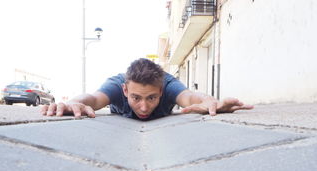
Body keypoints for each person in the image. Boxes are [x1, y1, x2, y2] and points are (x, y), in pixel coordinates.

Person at [42, 58, 253, 120]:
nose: (143, 107)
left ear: (161, 91)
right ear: (125, 90)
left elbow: (189, 97)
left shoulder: (169, 85)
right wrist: (72, 103)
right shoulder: (117, 84)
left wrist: (210, 101)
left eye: (151, 98)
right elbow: (94, 99)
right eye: (135, 98)